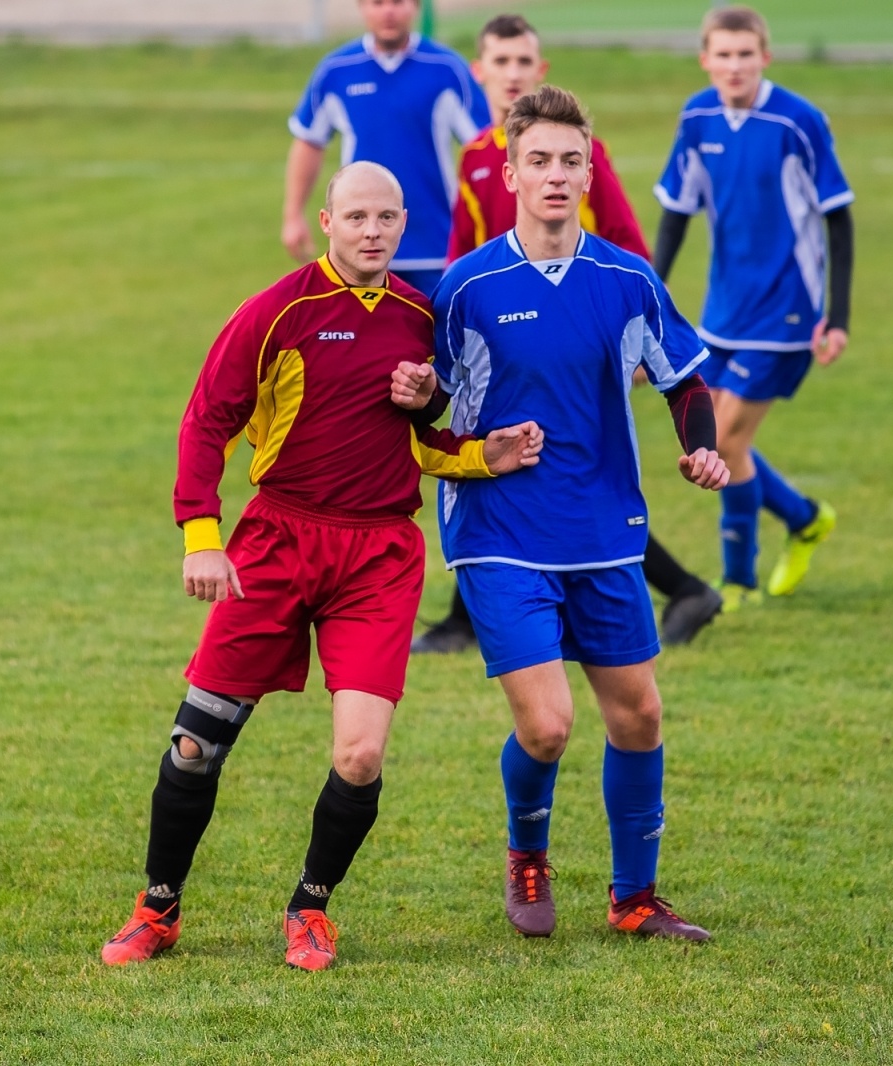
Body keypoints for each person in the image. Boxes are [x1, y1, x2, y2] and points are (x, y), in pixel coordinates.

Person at [102, 163, 543, 972]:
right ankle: (157, 907)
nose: (371, 231)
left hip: (378, 554)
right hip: (276, 541)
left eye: (386, 218)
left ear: (403, 224)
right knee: (197, 745)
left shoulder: (422, 315)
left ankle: (309, 909)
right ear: (327, 219)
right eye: (356, 217)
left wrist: (484, 448)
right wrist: (203, 535)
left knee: (361, 757)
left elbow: (426, 434)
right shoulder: (278, 311)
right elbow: (208, 421)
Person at [394, 87, 726, 942]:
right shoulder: (466, 288)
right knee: (547, 726)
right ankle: (527, 858)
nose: (554, 175)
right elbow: (423, 409)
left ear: (589, 170)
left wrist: (701, 446)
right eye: (537, 160)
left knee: (639, 716)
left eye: (570, 161)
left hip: (603, 528)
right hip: (498, 534)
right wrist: (421, 396)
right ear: (508, 173)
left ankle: (634, 898)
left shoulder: (627, 280)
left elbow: (684, 376)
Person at [412, 12, 722, 656]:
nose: (555, 174)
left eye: (524, 62)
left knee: (579, 456)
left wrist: (628, 334)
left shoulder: (615, 255)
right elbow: (458, 262)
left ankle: (681, 586)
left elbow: (628, 247)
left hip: (587, 336)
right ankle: (471, 607)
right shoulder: (473, 172)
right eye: (501, 62)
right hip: (496, 355)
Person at [651, 5, 854, 608]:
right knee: (715, 439)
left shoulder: (798, 122)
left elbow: (837, 219)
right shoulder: (698, 117)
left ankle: (737, 579)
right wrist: (650, 305)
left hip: (790, 312)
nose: (735, 65)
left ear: (765, 57)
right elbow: (674, 216)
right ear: (705, 59)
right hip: (723, 310)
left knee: (723, 441)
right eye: (724, 54)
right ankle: (805, 518)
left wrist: (837, 316)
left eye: (746, 54)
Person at [282, 0, 488, 295]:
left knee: (434, 339)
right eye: (378, 3)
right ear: (362, 7)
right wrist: (293, 215)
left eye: (398, 2)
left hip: (435, 246)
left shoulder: (447, 69)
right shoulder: (336, 70)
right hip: (358, 249)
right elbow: (309, 141)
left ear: (415, 6)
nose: (388, 12)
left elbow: (484, 149)